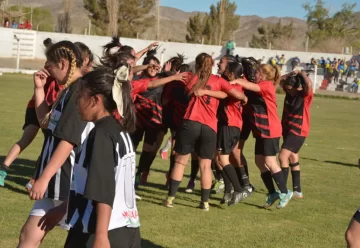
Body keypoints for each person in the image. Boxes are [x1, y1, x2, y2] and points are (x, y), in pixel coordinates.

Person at [17, 41, 89, 248]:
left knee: (81, 241)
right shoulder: (67, 91)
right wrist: (39, 89)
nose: (47, 70)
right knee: (28, 236)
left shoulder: (79, 92)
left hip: (69, 181)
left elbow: (68, 140)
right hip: (55, 180)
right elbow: (47, 124)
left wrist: (43, 178)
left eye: (50, 66)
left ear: (64, 64)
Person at [64, 60, 141, 248]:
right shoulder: (117, 130)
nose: (76, 101)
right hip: (126, 228)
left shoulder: (101, 134)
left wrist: (100, 236)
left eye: (80, 96)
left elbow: (103, 189)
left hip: (99, 230)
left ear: (95, 100)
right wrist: (60, 210)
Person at [163, 53, 247, 211]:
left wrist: (169, 74)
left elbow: (173, 77)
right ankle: (205, 203)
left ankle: (170, 199)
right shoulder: (218, 81)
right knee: (206, 166)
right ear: (212, 65)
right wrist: (243, 98)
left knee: (180, 162)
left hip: (190, 122)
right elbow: (237, 95)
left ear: (197, 64)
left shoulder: (189, 77)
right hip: (209, 127)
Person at [232, 64, 293, 209]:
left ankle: (285, 191)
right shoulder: (260, 84)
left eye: (257, 72)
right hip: (261, 131)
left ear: (264, 75)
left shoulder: (266, 85)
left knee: (270, 161)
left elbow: (253, 87)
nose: (255, 75)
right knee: (259, 161)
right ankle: (272, 192)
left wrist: (238, 81)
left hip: (270, 130)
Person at [196, 57, 252, 206]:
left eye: (227, 71)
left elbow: (227, 94)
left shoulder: (234, 87)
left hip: (229, 125)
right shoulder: (234, 84)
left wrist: (205, 92)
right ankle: (228, 189)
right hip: (227, 126)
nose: (225, 73)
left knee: (223, 160)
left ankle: (239, 189)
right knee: (217, 158)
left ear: (232, 74)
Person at [131, 51, 187, 187]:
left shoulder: (162, 79)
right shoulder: (137, 80)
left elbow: (172, 82)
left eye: (156, 67)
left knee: (149, 148)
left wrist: (168, 73)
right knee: (131, 148)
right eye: (151, 66)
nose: (154, 69)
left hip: (154, 121)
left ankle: (141, 173)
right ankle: (129, 173)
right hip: (136, 120)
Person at [278, 70, 313, 199]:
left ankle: (283, 189)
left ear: (296, 87)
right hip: (288, 129)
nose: (287, 90)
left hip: (298, 130)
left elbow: (308, 84)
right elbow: (279, 81)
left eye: (289, 88)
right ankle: (297, 190)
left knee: (282, 157)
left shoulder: (304, 96)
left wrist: (302, 74)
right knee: (293, 157)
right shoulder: (289, 92)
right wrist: (291, 74)